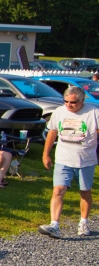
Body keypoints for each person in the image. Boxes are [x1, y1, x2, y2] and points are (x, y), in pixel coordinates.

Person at [38, 86, 99, 238]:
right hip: (63, 158)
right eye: (66, 102)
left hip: (86, 160)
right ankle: (54, 225)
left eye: (73, 102)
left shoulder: (93, 112)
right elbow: (52, 132)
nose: (69, 105)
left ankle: (83, 222)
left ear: (82, 100)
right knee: (58, 190)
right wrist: (46, 154)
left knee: (85, 192)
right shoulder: (59, 112)